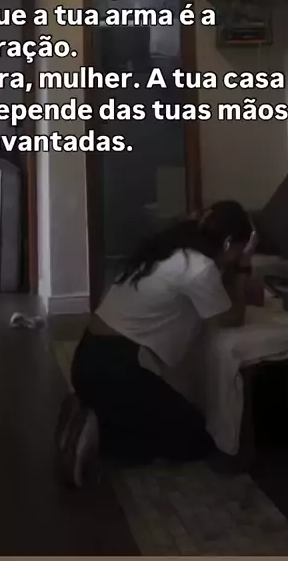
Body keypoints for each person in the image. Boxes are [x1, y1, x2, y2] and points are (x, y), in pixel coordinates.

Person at [55, 200, 256, 487]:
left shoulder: (172, 250)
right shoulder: (199, 269)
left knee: (170, 417)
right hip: (112, 370)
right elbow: (231, 319)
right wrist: (243, 270)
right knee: (194, 440)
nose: (237, 257)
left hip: (90, 358)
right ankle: (99, 436)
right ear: (227, 243)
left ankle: (89, 411)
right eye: (238, 249)